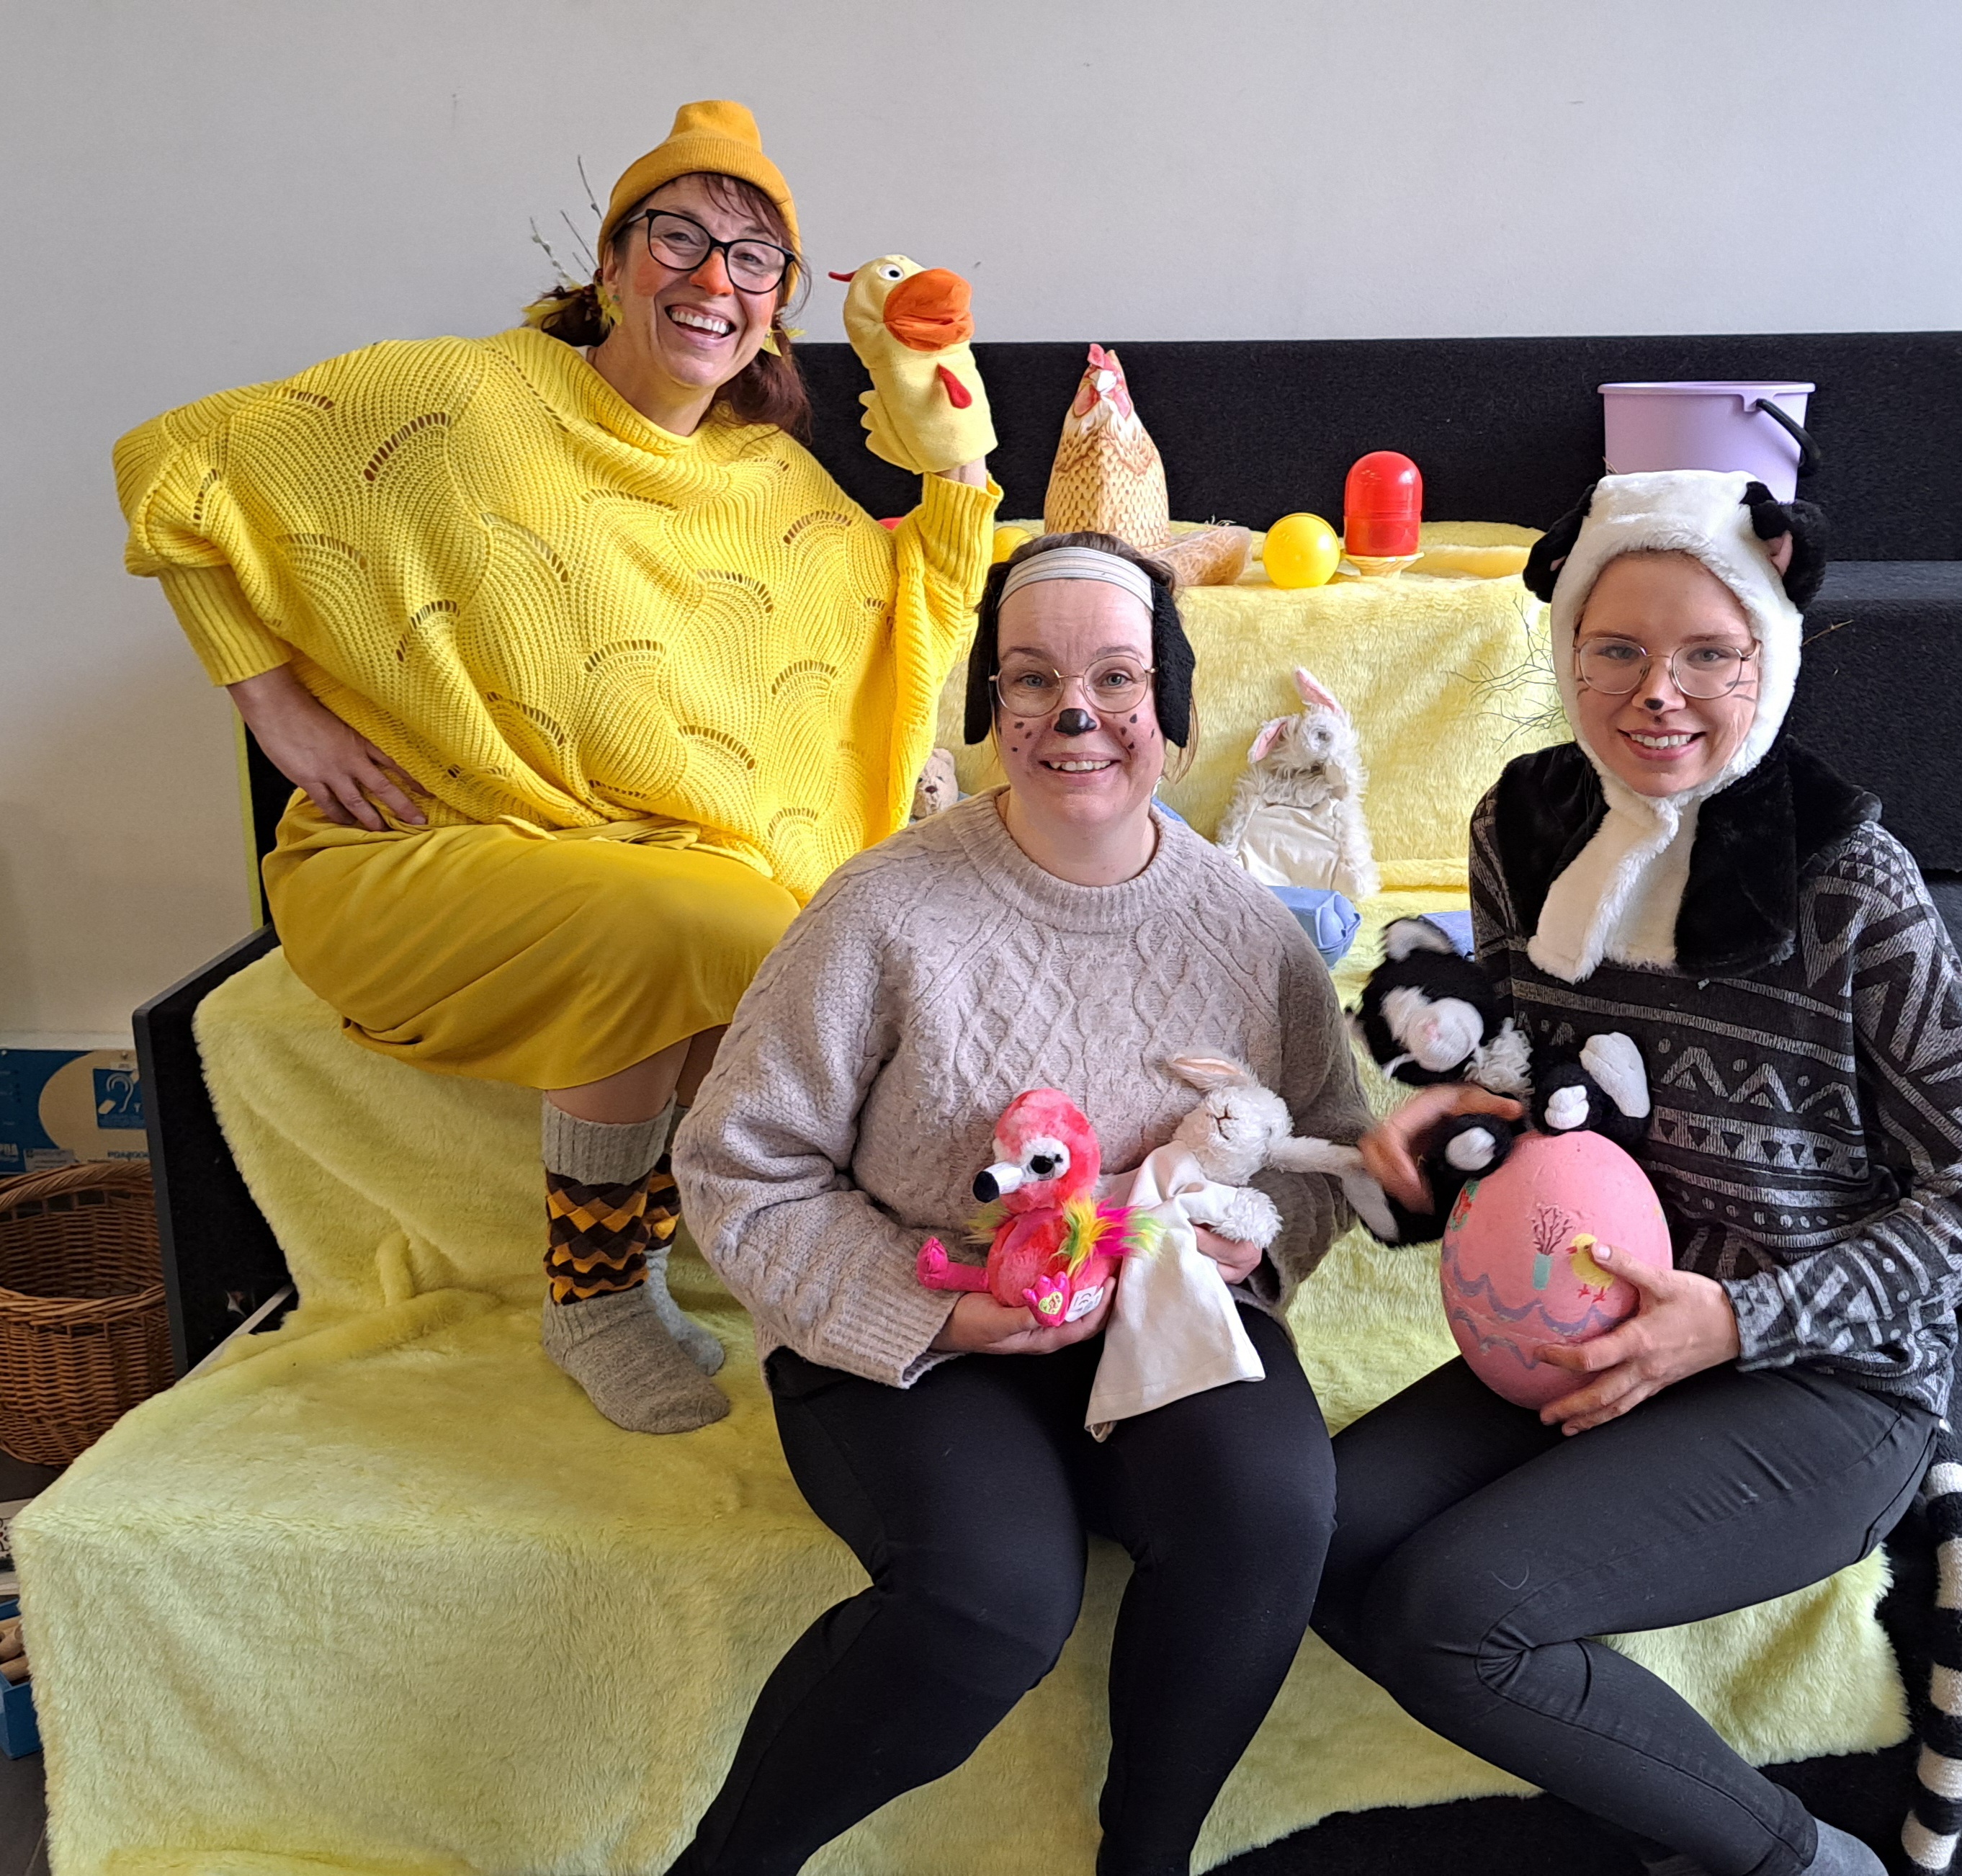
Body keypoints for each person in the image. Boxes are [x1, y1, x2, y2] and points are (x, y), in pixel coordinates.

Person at [114, 100, 998, 1434]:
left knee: (769, 948)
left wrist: (953, 453)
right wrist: (275, 709)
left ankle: (823, 1289)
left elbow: (916, 612)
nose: (712, 280)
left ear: (777, 307)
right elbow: (171, 465)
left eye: (753, 259)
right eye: (678, 238)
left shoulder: (769, 480)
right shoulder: (463, 395)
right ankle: (595, 1295)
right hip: (411, 853)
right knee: (698, 925)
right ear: (611, 262)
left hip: (643, 870)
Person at [1314, 472, 1962, 1876]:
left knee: (1451, 1612)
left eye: (1709, 653)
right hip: (1585, 1335)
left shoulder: (1849, 883)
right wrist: (1459, 1126)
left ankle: (1791, 1862)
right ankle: (1668, 1813)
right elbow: (1549, 1089)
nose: (1658, 692)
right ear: (1564, 650)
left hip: (1819, 1381)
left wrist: (1735, 1322)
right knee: (1306, 1538)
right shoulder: (1521, 830)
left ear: (1770, 661)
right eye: (1617, 649)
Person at [671, 532, 1366, 1876]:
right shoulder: (879, 910)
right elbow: (739, 1166)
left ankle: (1146, 1860)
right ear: (993, 705)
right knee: (990, 1603)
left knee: (1269, 1519)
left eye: (1116, 678)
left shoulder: (1248, 928)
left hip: (1159, 1316)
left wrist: (1247, 1245)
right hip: (918, 1331)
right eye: (1033, 679)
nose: (1075, 715)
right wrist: (934, 1314)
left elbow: (1321, 1146)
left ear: (1172, 702)